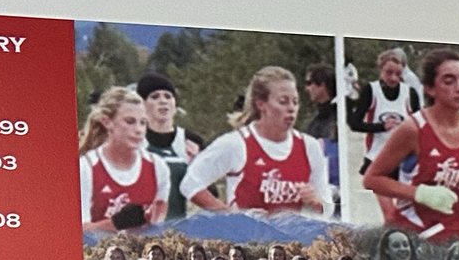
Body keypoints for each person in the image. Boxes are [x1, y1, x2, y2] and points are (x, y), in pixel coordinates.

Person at [364, 48, 459, 247]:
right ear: (430, 88)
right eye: (449, 81)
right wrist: (419, 193)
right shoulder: (413, 129)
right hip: (417, 234)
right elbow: (372, 179)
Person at [180, 66, 331, 216]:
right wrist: (230, 217)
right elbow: (190, 184)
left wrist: (316, 202)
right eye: (283, 102)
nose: (291, 108)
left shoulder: (309, 147)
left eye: (295, 102)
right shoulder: (236, 143)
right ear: (261, 104)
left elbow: (327, 209)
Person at [80, 85, 168, 235]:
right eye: (129, 121)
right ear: (107, 122)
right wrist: (116, 223)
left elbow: (158, 217)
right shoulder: (86, 167)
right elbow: (75, 232)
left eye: (143, 123)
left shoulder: (157, 167)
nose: (139, 130)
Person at [135, 71, 203, 221]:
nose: (163, 101)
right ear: (142, 104)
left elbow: (211, 194)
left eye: (168, 96)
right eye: (154, 96)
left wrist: (196, 167)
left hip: (179, 230)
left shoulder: (191, 141)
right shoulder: (133, 141)